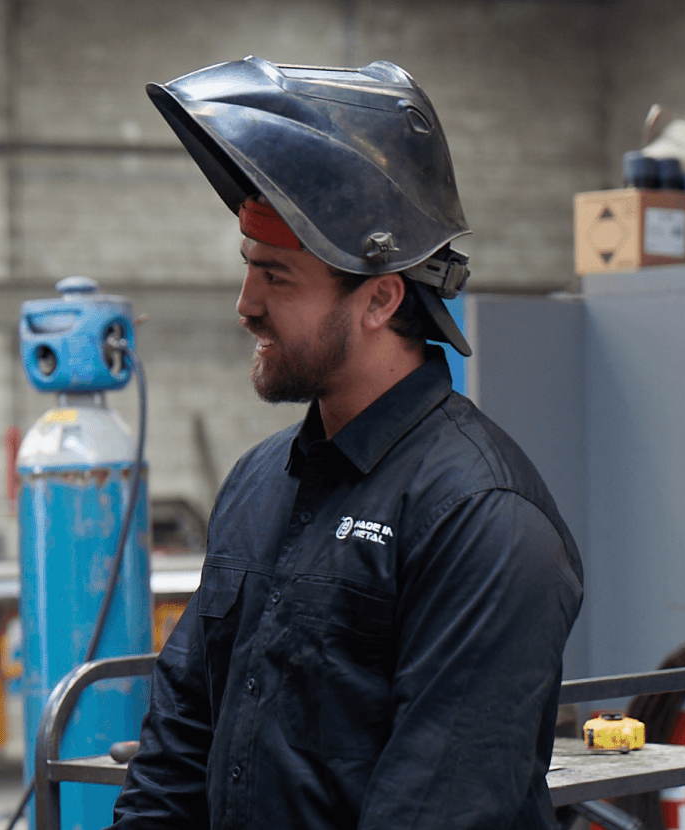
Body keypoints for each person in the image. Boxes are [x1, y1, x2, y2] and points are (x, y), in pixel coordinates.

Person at [110, 58, 586, 829]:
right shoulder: (258, 483)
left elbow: (438, 807)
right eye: (248, 270)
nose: (246, 306)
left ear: (381, 298)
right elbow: (179, 745)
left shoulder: (483, 520)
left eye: (278, 279)